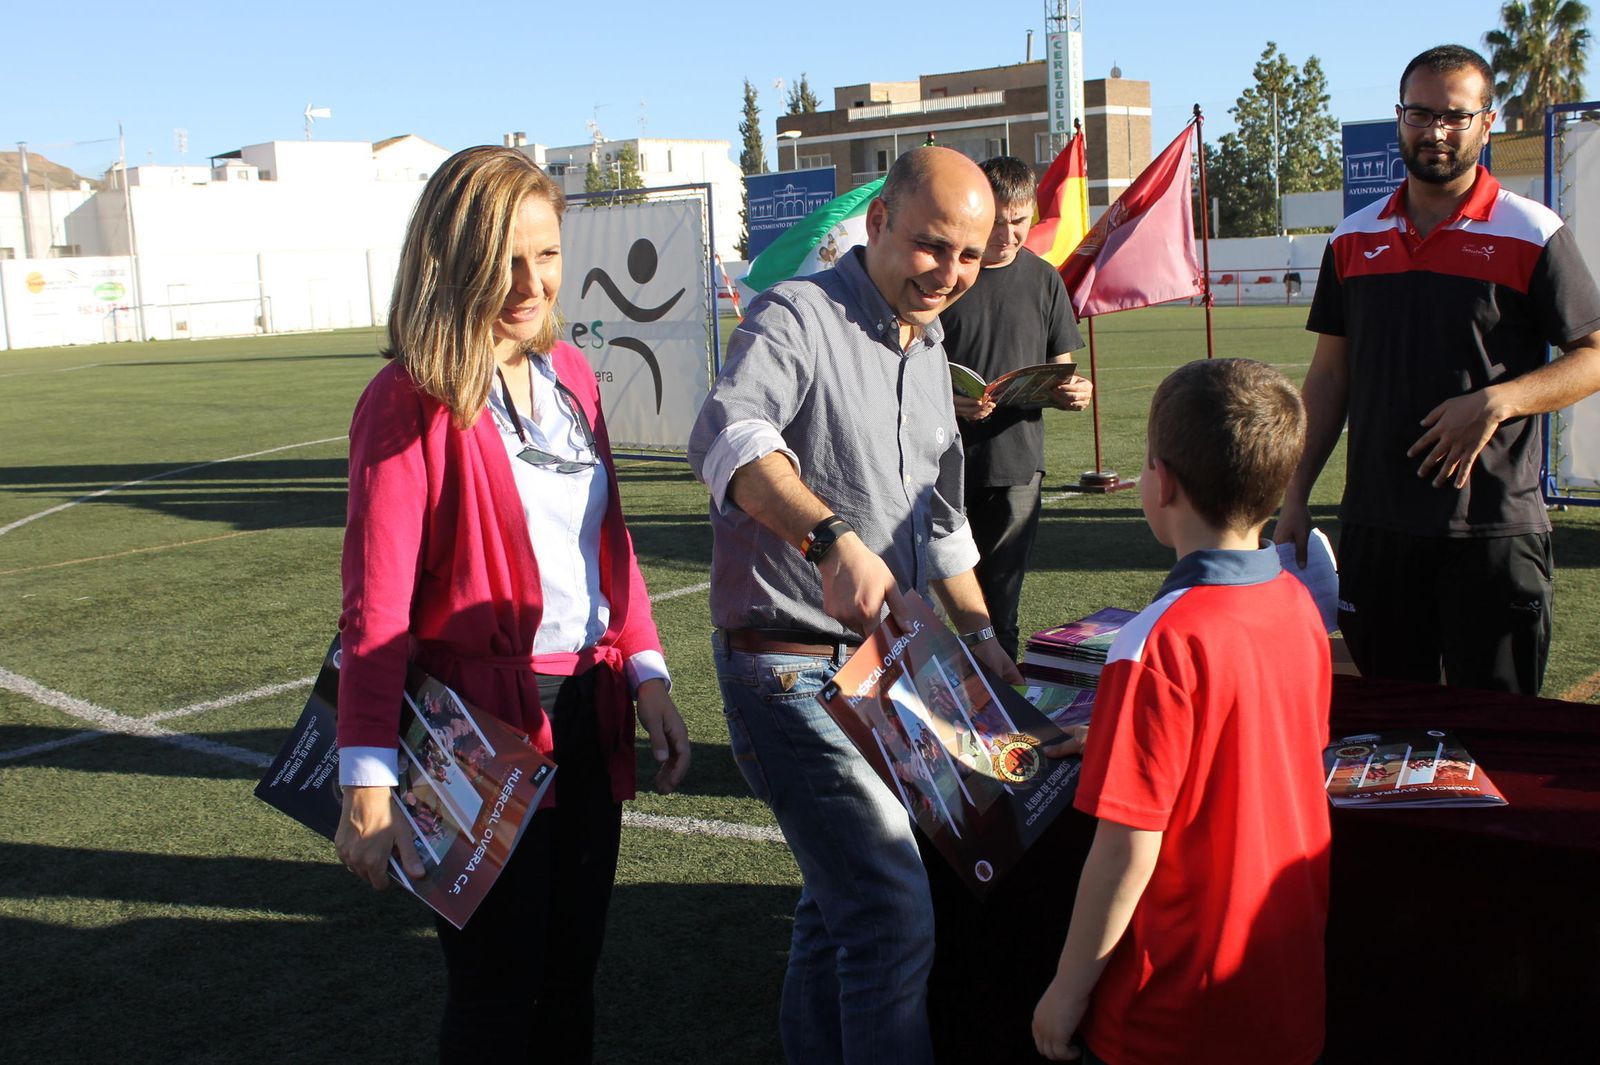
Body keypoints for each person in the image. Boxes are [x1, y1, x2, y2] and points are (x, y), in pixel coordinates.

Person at [331, 145, 690, 1063]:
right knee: (496, 992)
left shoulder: (571, 372)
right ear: (452, 258)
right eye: (506, 260)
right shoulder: (407, 399)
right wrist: (366, 779)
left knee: (571, 976)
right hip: (476, 730)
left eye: (548, 255)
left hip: (589, 709)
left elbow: (607, 546)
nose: (531, 284)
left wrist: (647, 672)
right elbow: (375, 609)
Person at [687, 146, 1022, 1065]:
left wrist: (982, 634)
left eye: (969, 256)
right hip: (790, 668)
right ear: (876, 223)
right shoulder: (797, 313)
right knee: (888, 913)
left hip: (883, 674)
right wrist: (830, 538)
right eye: (931, 245)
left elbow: (940, 516)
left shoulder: (932, 344)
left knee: (833, 913)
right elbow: (727, 433)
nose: (949, 273)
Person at [1033, 359, 1332, 1065]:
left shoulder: (1158, 641)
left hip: (1173, 1009)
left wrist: (1066, 992)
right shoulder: (1299, 605)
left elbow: (1125, 849)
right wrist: (1121, 740)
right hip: (1282, 977)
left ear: (1161, 482)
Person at [1277, 44, 1600, 695]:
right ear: (1400, 118)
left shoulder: (1532, 231)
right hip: (1377, 525)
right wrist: (1293, 495)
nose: (1436, 131)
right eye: (1420, 114)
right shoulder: (1352, 238)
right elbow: (1330, 379)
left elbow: (1592, 354)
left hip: (1492, 528)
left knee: (1499, 728)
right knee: (1389, 724)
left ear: (1488, 122)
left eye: (1455, 116)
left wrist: (1498, 401)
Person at [940, 155, 1093, 661]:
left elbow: (1061, 369)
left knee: (999, 610)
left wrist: (1075, 391)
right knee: (918, 604)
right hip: (938, 464)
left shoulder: (1045, 279)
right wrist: (947, 400)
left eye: (1020, 221)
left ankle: (999, 706)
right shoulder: (946, 275)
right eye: (998, 221)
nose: (1008, 234)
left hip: (1016, 466)